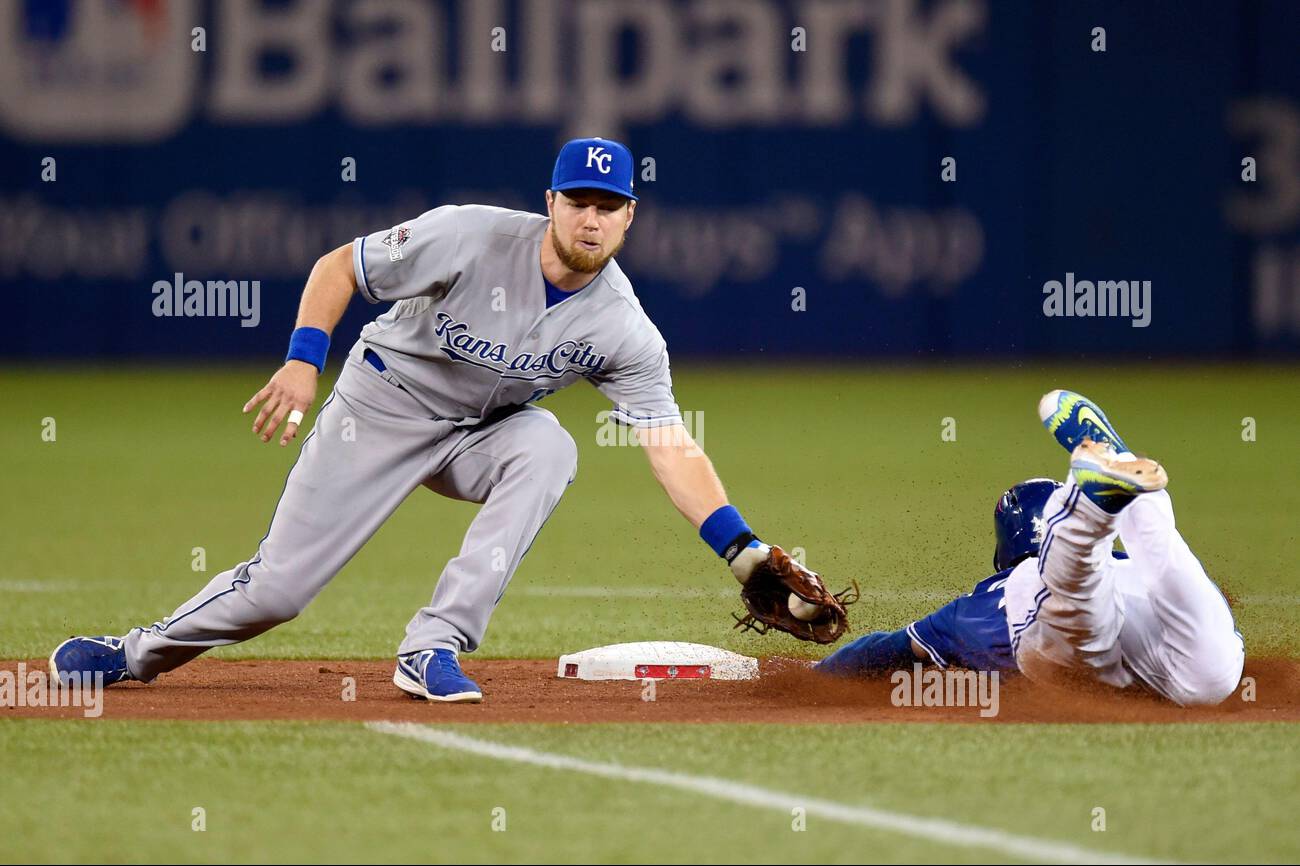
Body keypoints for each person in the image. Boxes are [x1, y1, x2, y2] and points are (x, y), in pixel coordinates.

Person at [50, 137, 824, 703]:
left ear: (629, 218)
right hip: (380, 408)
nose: (591, 219)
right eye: (578, 202)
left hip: (478, 437)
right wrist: (301, 359)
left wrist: (742, 550)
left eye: (608, 206)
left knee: (550, 449)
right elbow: (338, 268)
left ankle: (434, 646)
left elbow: (668, 442)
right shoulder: (470, 234)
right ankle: (133, 653)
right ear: (550, 202)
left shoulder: (624, 328)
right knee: (277, 593)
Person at [818, 390, 1245, 706]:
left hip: (1070, 641)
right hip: (1175, 647)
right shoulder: (1123, 564)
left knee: (1076, 594)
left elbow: (886, 650)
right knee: (1168, 566)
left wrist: (819, 674)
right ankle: (1116, 470)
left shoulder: (979, 602)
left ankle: (1092, 501)